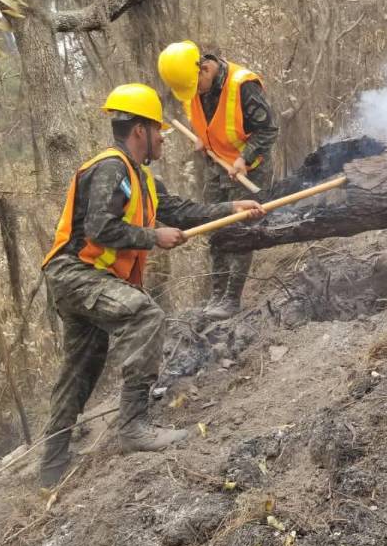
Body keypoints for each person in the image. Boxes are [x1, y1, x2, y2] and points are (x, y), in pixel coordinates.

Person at [38, 82, 264, 488]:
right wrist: (152, 238)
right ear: (140, 130)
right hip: (76, 275)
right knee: (145, 315)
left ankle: (50, 469)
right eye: (159, 129)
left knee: (80, 370)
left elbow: (180, 209)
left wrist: (231, 207)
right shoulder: (112, 168)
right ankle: (133, 427)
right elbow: (99, 227)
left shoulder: (139, 178)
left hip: (86, 279)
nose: (163, 137)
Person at [158, 40, 279, 319]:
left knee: (241, 228)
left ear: (205, 68)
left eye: (196, 85)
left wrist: (244, 159)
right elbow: (207, 121)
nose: (194, 93)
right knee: (214, 226)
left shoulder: (242, 85)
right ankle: (216, 293)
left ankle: (231, 299)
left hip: (249, 168)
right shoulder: (191, 86)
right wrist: (203, 139)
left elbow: (268, 129)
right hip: (216, 165)